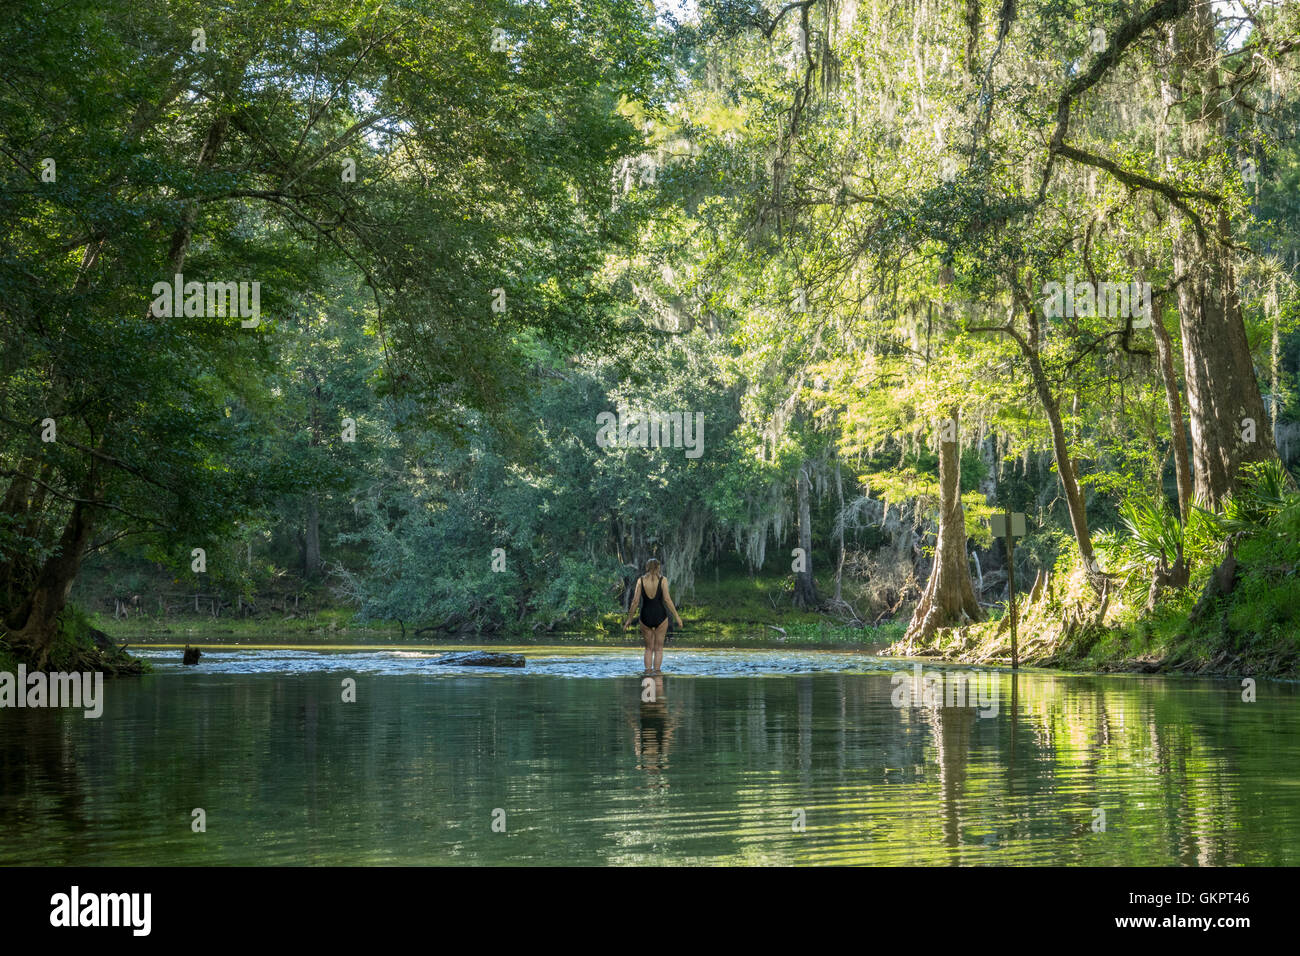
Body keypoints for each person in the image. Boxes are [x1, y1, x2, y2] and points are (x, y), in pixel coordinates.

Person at [624, 559, 683, 673]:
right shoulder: (663, 580)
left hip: (645, 616)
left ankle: (647, 673)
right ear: (658, 567)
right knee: (659, 649)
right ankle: (657, 674)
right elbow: (667, 599)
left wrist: (629, 619)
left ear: (647, 567)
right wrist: (677, 617)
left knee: (648, 649)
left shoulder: (640, 580)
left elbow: (635, 602)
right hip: (660, 616)